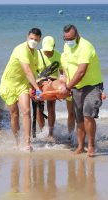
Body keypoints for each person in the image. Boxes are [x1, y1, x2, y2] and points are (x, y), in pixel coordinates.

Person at [60, 24, 104, 157]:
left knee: (88, 114)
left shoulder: (86, 46)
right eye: (66, 39)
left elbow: (81, 72)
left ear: (77, 35)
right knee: (78, 117)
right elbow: (66, 68)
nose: (68, 41)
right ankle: (80, 146)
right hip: (75, 87)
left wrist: (67, 87)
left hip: (92, 86)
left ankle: (90, 146)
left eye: (71, 38)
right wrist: (64, 85)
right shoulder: (67, 46)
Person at [0, 28, 42, 151]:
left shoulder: (35, 54)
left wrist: (33, 88)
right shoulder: (21, 49)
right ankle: (17, 141)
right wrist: (37, 88)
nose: (33, 41)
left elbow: (33, 73)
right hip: (9, 84)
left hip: (22, 85)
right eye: (31, 38)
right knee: (14, 114)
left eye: (36, 39)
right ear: (27, 37)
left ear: (39, 40)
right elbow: (27, 71)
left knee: (27, 112)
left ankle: (27, 143)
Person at [32, 36, 61, 139]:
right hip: (38, 83)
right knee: (39, 109)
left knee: (51, 107)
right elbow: (30, 71)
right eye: (46, 50)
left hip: (52, 82)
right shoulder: (37, 54)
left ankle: (51, 133)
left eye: (50, 50)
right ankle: (42, 131)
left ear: (54, 46)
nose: (47, 52)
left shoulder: (58, 55)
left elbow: (62, 72)